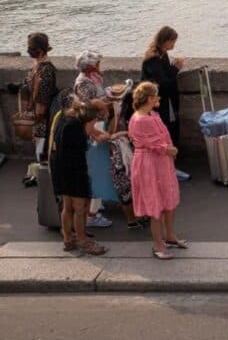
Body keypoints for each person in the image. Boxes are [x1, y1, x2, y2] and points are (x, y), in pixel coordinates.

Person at [73, 51, 139, 229]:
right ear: (91, 66)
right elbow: (91, 108)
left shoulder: (91, 79)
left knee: (103, 171)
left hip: (99, 129)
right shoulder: (84, 84)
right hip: (97, 131)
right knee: (100, 172)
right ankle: (92, 214)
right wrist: (111, 100)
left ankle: (97, 206)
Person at [128, 82, 186, 260]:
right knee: (156, 206)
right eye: (156, 95)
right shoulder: (140, 119)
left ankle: (169, 236)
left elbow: (163, 136)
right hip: (149, 164)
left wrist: (169, 149)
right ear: (150, 98)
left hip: (160, 161)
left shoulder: (152, 114)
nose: (158, 98)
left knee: (167, 199)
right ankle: (158, 245)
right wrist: (169, 149)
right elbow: (151, 143)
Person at [51, 98, 109, 256]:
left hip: (60, 168)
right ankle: (83, 240)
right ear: (87, 119)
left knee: (67, 207)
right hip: (74, 170)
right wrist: (92, 136)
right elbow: (82, 146)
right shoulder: (75, 128)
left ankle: (68, 240)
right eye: (93, 122)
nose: (94, 126)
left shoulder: (66, 119)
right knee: (80, 207)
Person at [141, 26, 189, 182]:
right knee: (165, 132)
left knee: (170, 131)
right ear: (166, 40)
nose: (174, 45)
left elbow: (165, 74)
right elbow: (163, 82)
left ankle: (169, 167)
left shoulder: (162, 54)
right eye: (173, 41)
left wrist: (172, 67)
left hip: (164, 100)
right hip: (159, 102)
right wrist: (176, 68)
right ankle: (168, 169)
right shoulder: (153, 58)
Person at [20, 32, 58, 162]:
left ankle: (42, 173)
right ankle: (43, 174)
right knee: (42, 149)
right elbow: (42, 98)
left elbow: (39, 97)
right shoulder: (43, 69)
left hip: (38, 118)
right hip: (41, 118)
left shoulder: (39, 70)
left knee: (41, 149)